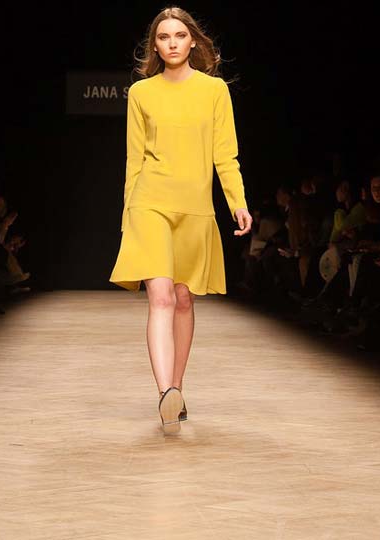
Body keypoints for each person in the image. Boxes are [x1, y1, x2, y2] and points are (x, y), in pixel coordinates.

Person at [108, 7, 252, 434]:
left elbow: (225, 154)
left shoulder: (214, 91)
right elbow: (134, 160)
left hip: (195, 207)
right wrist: (128, 214)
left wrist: (238, 202)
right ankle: (165, 391)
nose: (172, 43)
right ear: (154, 46)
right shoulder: (141, 93)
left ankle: (177, 387)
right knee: (162, 298)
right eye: (163, 36)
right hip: (149, 203)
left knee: (184, 299)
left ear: (193, 42)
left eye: (179, 35)